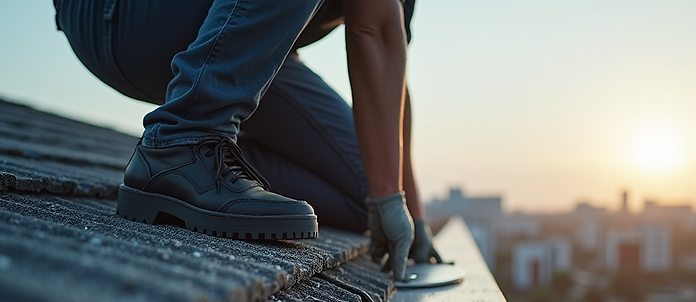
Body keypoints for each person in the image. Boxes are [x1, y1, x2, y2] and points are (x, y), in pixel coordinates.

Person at [54, 0, 442, 281]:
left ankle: (209, 157)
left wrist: (399, 201)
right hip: (121, 17)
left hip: (236, 42)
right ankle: (184, 137)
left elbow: (383, 45)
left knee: (364, 191)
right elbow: (372, 30)